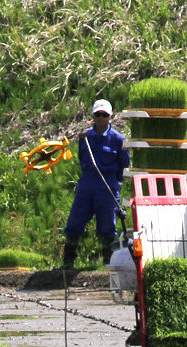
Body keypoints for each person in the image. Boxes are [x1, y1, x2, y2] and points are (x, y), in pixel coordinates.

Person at [61, 99, 129, 270]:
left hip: (108, 185)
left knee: (108, 225)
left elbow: (124, 165)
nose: (100, 118)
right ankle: (68, 262)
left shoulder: (119, 139)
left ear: (110, 116)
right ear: (93, 116)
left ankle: (108, 263)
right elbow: (82, 159)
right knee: (74, 221)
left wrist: (116, 184)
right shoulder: (85, 137)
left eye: (104, 115)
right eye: (97, 114)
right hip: (87, 183)